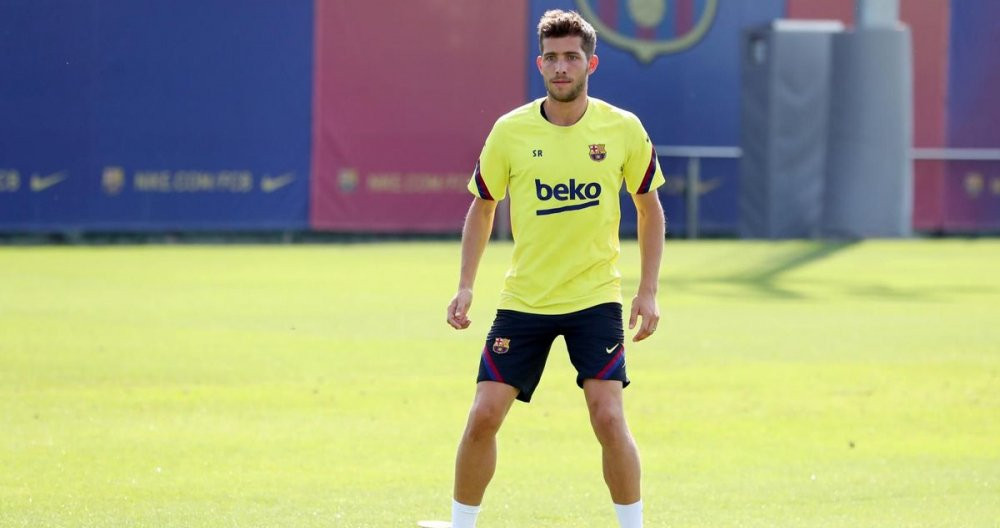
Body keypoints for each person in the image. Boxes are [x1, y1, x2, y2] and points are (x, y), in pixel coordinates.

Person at [444, 9, 665, 528]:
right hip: (526, 300)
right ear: (539, 63)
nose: (561, 67)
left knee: (608, 417)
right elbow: (483, 206)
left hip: (594, 299)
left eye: (571, 57)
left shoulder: (622, 129)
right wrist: (465, 285)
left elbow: (648, 206)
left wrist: (648, 290)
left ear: (592, 62)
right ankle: (460, 524)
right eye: (552, 58)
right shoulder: (510, 131)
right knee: (482, 417)